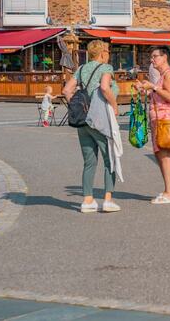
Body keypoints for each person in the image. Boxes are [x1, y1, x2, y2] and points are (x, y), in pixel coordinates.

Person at [62, 40, 121, 213]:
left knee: (89, 161)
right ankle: (108, 200)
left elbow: (67, 90)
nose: (109, 54)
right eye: (108, 51)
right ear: (102, 52)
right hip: (101, 118)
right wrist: (115, 106)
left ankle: (88, 200)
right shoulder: (106, 68)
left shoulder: (81, 69)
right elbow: (104, 88)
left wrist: (77, 105)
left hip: (83, 120)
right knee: (110, 159)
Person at [135, 46, 170, 204]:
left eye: (155, 56)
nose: (152, 59)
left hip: (166, 119)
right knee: (160, 154)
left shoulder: (169, 74)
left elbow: (169, 96)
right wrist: (145, 90)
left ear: (165, 57)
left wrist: (153, 87)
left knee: (165, 154)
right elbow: (159, 93)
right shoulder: (163, 75)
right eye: (152, 56)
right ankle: (167, 190)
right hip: (160, 119)